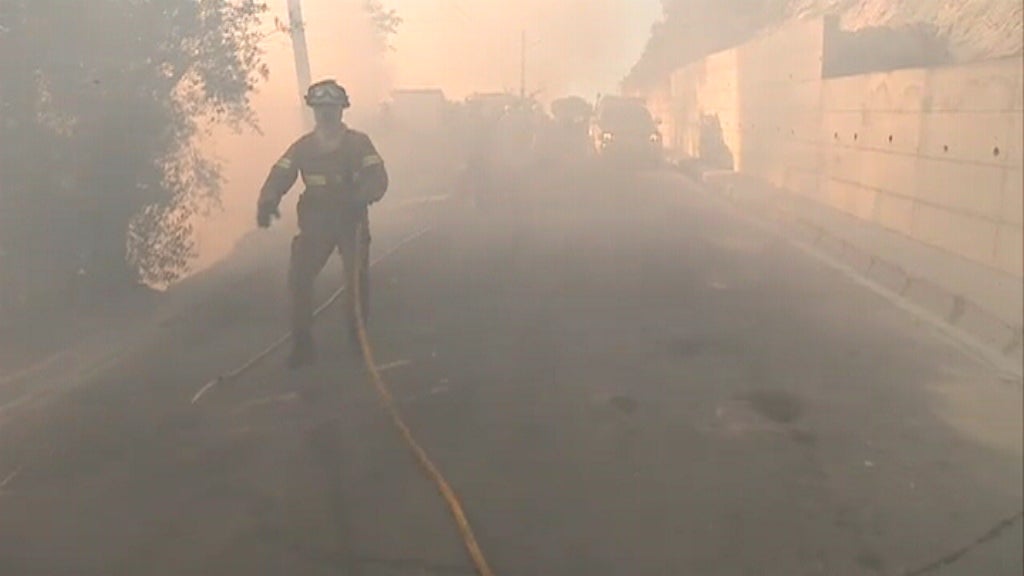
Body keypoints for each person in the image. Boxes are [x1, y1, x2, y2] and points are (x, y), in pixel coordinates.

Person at [256, 80, 388, 368]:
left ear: (341, 110)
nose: (326, 115)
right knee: (299, 279)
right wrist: (267, 200)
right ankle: (302, 345)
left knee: (355, 279)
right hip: (316, 222)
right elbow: (281, 173)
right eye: (321, 109)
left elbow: (378, 177)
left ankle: (357, 339)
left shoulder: (358, 143)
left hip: (350, 220)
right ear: (314, 112)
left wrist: (362, 196)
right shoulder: (303, 148)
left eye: (331, 109)